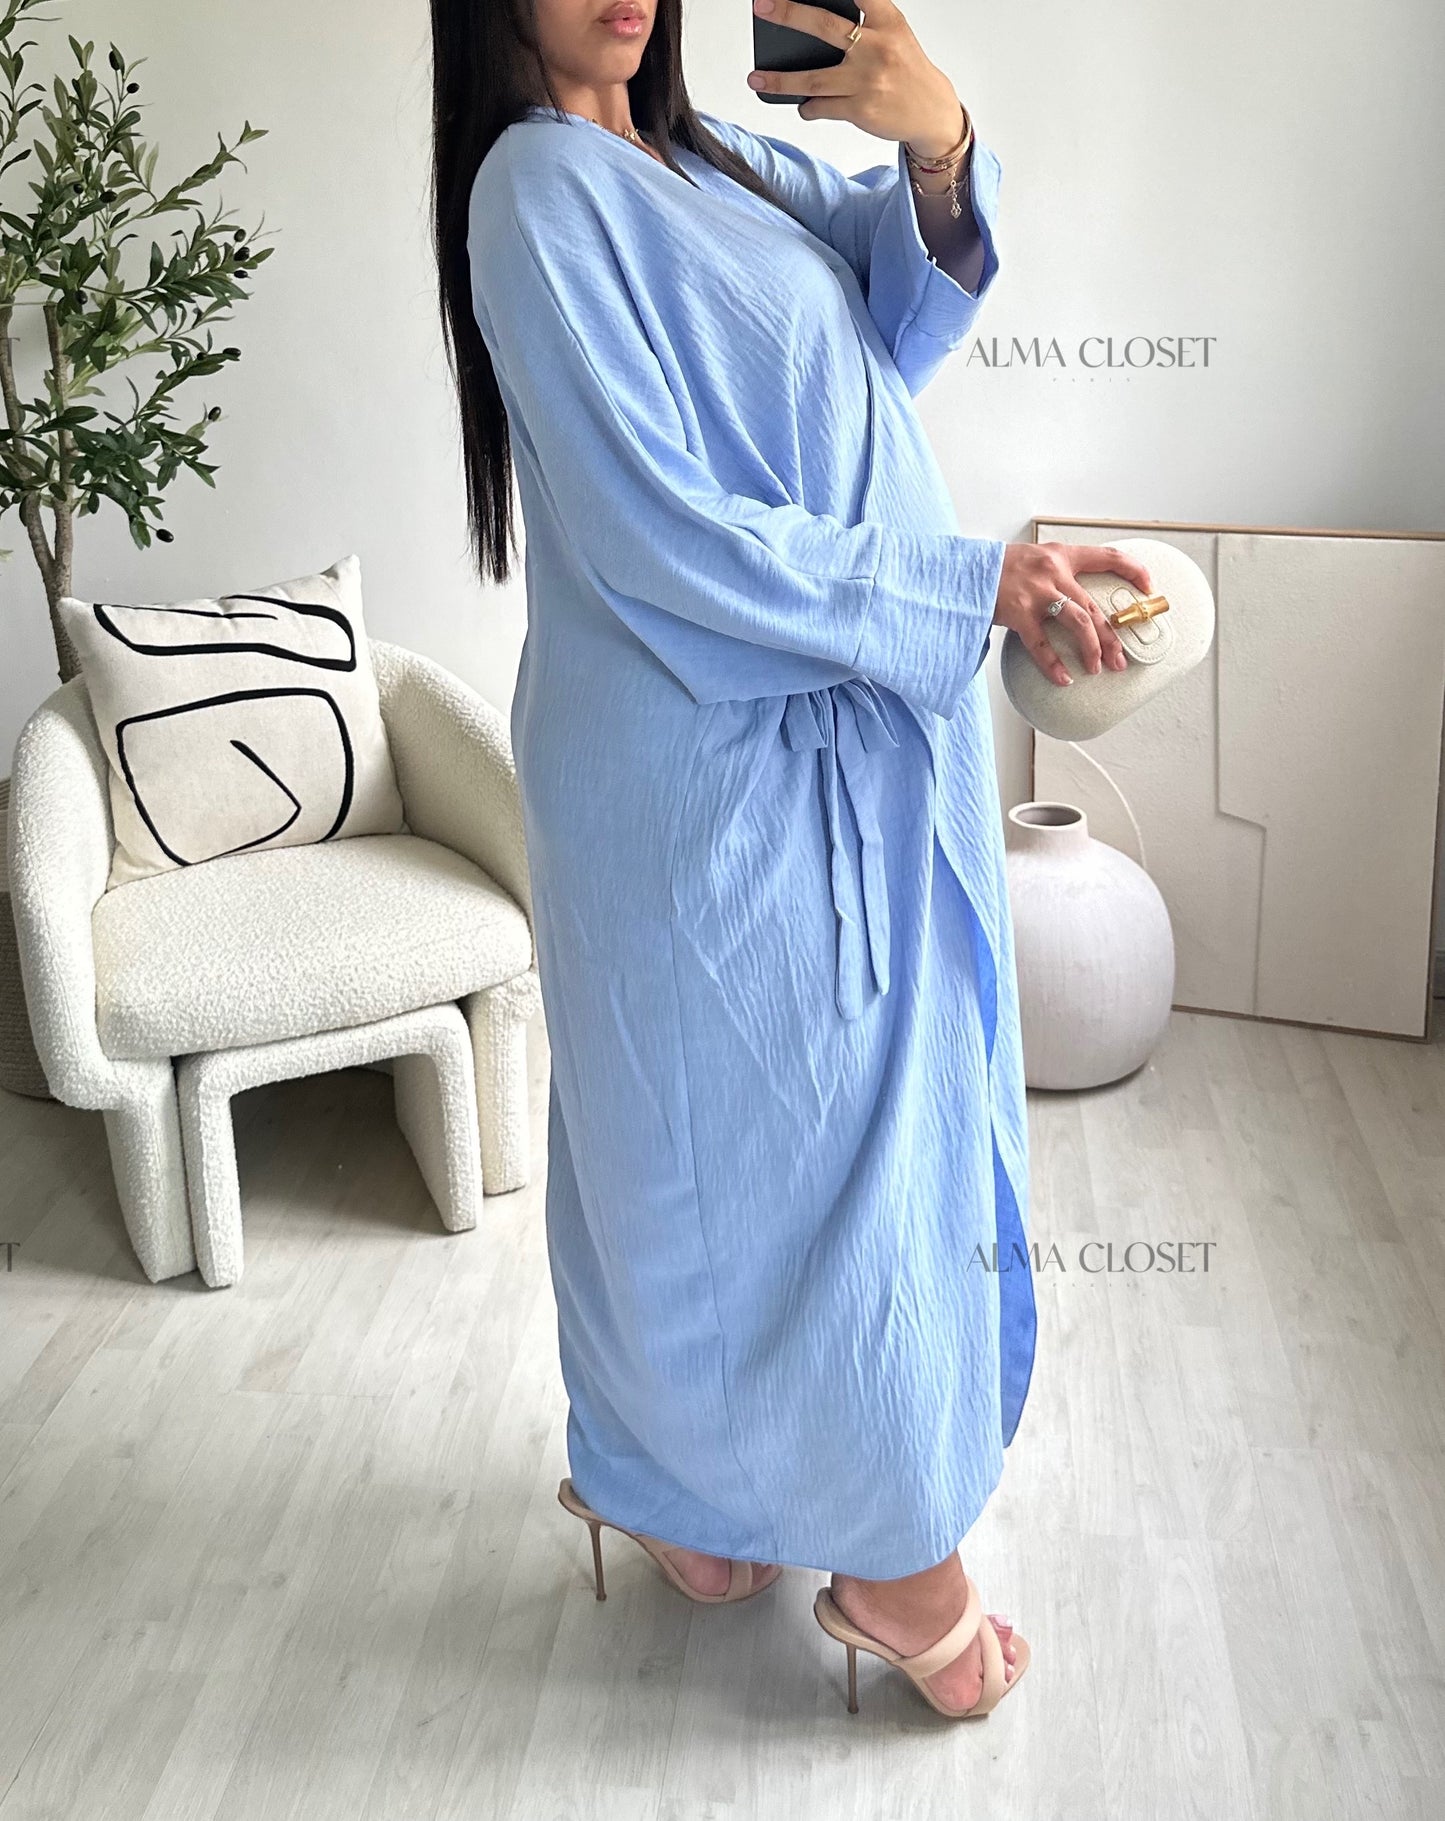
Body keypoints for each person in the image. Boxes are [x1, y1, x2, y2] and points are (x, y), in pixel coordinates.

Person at [431, 0, 1149, 1719]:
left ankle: (687, 1490)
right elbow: (656, 533)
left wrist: (935, 142)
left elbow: (895, 315)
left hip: (826, 722)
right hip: (701, 764)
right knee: (780, 1145)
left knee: (731, 1144)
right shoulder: (533, 193)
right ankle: (895, 1559)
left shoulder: (713, 160)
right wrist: (964, 581)